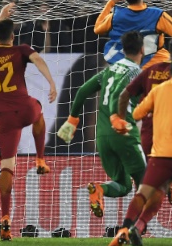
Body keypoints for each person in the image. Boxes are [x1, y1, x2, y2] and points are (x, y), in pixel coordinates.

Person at [0, 2, 57, 241]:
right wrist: (51, 82)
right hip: (23, 107)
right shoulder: (20, 50)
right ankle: (40, 158)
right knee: (38, 112)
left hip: (3, 118)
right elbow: (38, 59)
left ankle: (5, 217)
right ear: (13, 35)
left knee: (7, 167)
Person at [109, 58, 172, 246]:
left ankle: (126, 229)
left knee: (144, 192)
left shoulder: (158, 91)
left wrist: (154, 109)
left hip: (160, 155)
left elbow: (137, 114)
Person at [57, 31, 146, 219]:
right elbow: (119, 96)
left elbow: (82, 90)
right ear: (143, 50)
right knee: (147, 184)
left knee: (123, 185)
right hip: (123, 133)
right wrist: (116, 117)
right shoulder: (136, 72)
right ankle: (134, 228)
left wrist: (72, 119)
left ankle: (99, 189)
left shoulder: (109, 70)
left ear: (122, 49)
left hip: (103, 138)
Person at [116, 35, 172, 211]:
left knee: (146, 180)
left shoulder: (149, 71)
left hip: (148, 132)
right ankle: (168, 183)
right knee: (166, 178)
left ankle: (136, 222)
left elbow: (124, 96)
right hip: (170, 134)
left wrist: (121, 120)